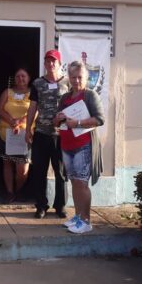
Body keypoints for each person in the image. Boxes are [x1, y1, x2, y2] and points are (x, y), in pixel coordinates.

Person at [54, 61, 105, 234]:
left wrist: (78, 123)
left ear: (86, 77)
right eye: (73, 77)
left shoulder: (90, 95)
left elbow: (99, 119)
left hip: (84, 145)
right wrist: (58, 118)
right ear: (69, 77)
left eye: (80, 77)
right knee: (75, 182)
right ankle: (77, 217)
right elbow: (57, 122)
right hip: (67, 145)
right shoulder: (65, 98)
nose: (76, 81)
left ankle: (86, 221)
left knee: (82, 183)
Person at [25, 49, 69, 219]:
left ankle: (60, 206)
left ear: (59, 64)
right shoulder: (38, 83)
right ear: (44, 64)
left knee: (61, 172)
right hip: (41, 134)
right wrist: (28, 128)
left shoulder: (67, 82)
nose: (51, 64)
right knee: (39, 172)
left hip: (61, 135)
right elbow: (33, 107)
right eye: (48, 61)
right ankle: (41, 205)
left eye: (54, 61)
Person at [0, 67, 32, 203]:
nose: (20, 79)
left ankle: (18, 190)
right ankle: (10, 192)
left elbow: (36, 111)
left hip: (25, 135)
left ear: (28, 78)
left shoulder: (33, 93)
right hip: (6, 133)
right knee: (8, 163)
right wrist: (12, 121)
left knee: (22, 169)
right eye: (18, 76)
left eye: (23, 76)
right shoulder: (7, 92)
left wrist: (21, 122)